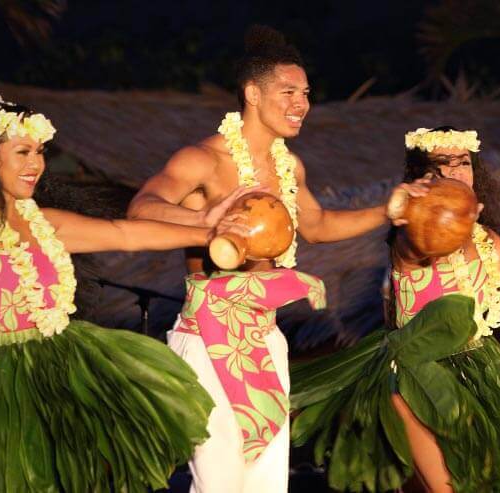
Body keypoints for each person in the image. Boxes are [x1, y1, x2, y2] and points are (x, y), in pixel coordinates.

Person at [125, 26, 409, 492]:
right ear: (253, 93)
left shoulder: (289, 166)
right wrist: (207, 223)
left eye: (306, 93)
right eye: (289, 91)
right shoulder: (203, 160)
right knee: (220, 482)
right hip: (208, 336)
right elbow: (141, 208)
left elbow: (316, 226)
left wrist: (385, 210)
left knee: (267, 482)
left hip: (265, 335)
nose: (301, 103)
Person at [291, 127, 500, 492]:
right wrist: (432, 211)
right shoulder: (411, 234)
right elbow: (418, 251)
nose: (457, 170)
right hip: (419, 376)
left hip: (480, 369)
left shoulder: (484, 238)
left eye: (463, 162)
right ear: (423, 178)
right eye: (443, 164)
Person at [0, 95, 246, 491]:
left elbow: (125, 234)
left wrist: (208, 229)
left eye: (40, 152)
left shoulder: (44, 223)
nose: (36, 164)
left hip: (56, 374)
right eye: (22, 152)